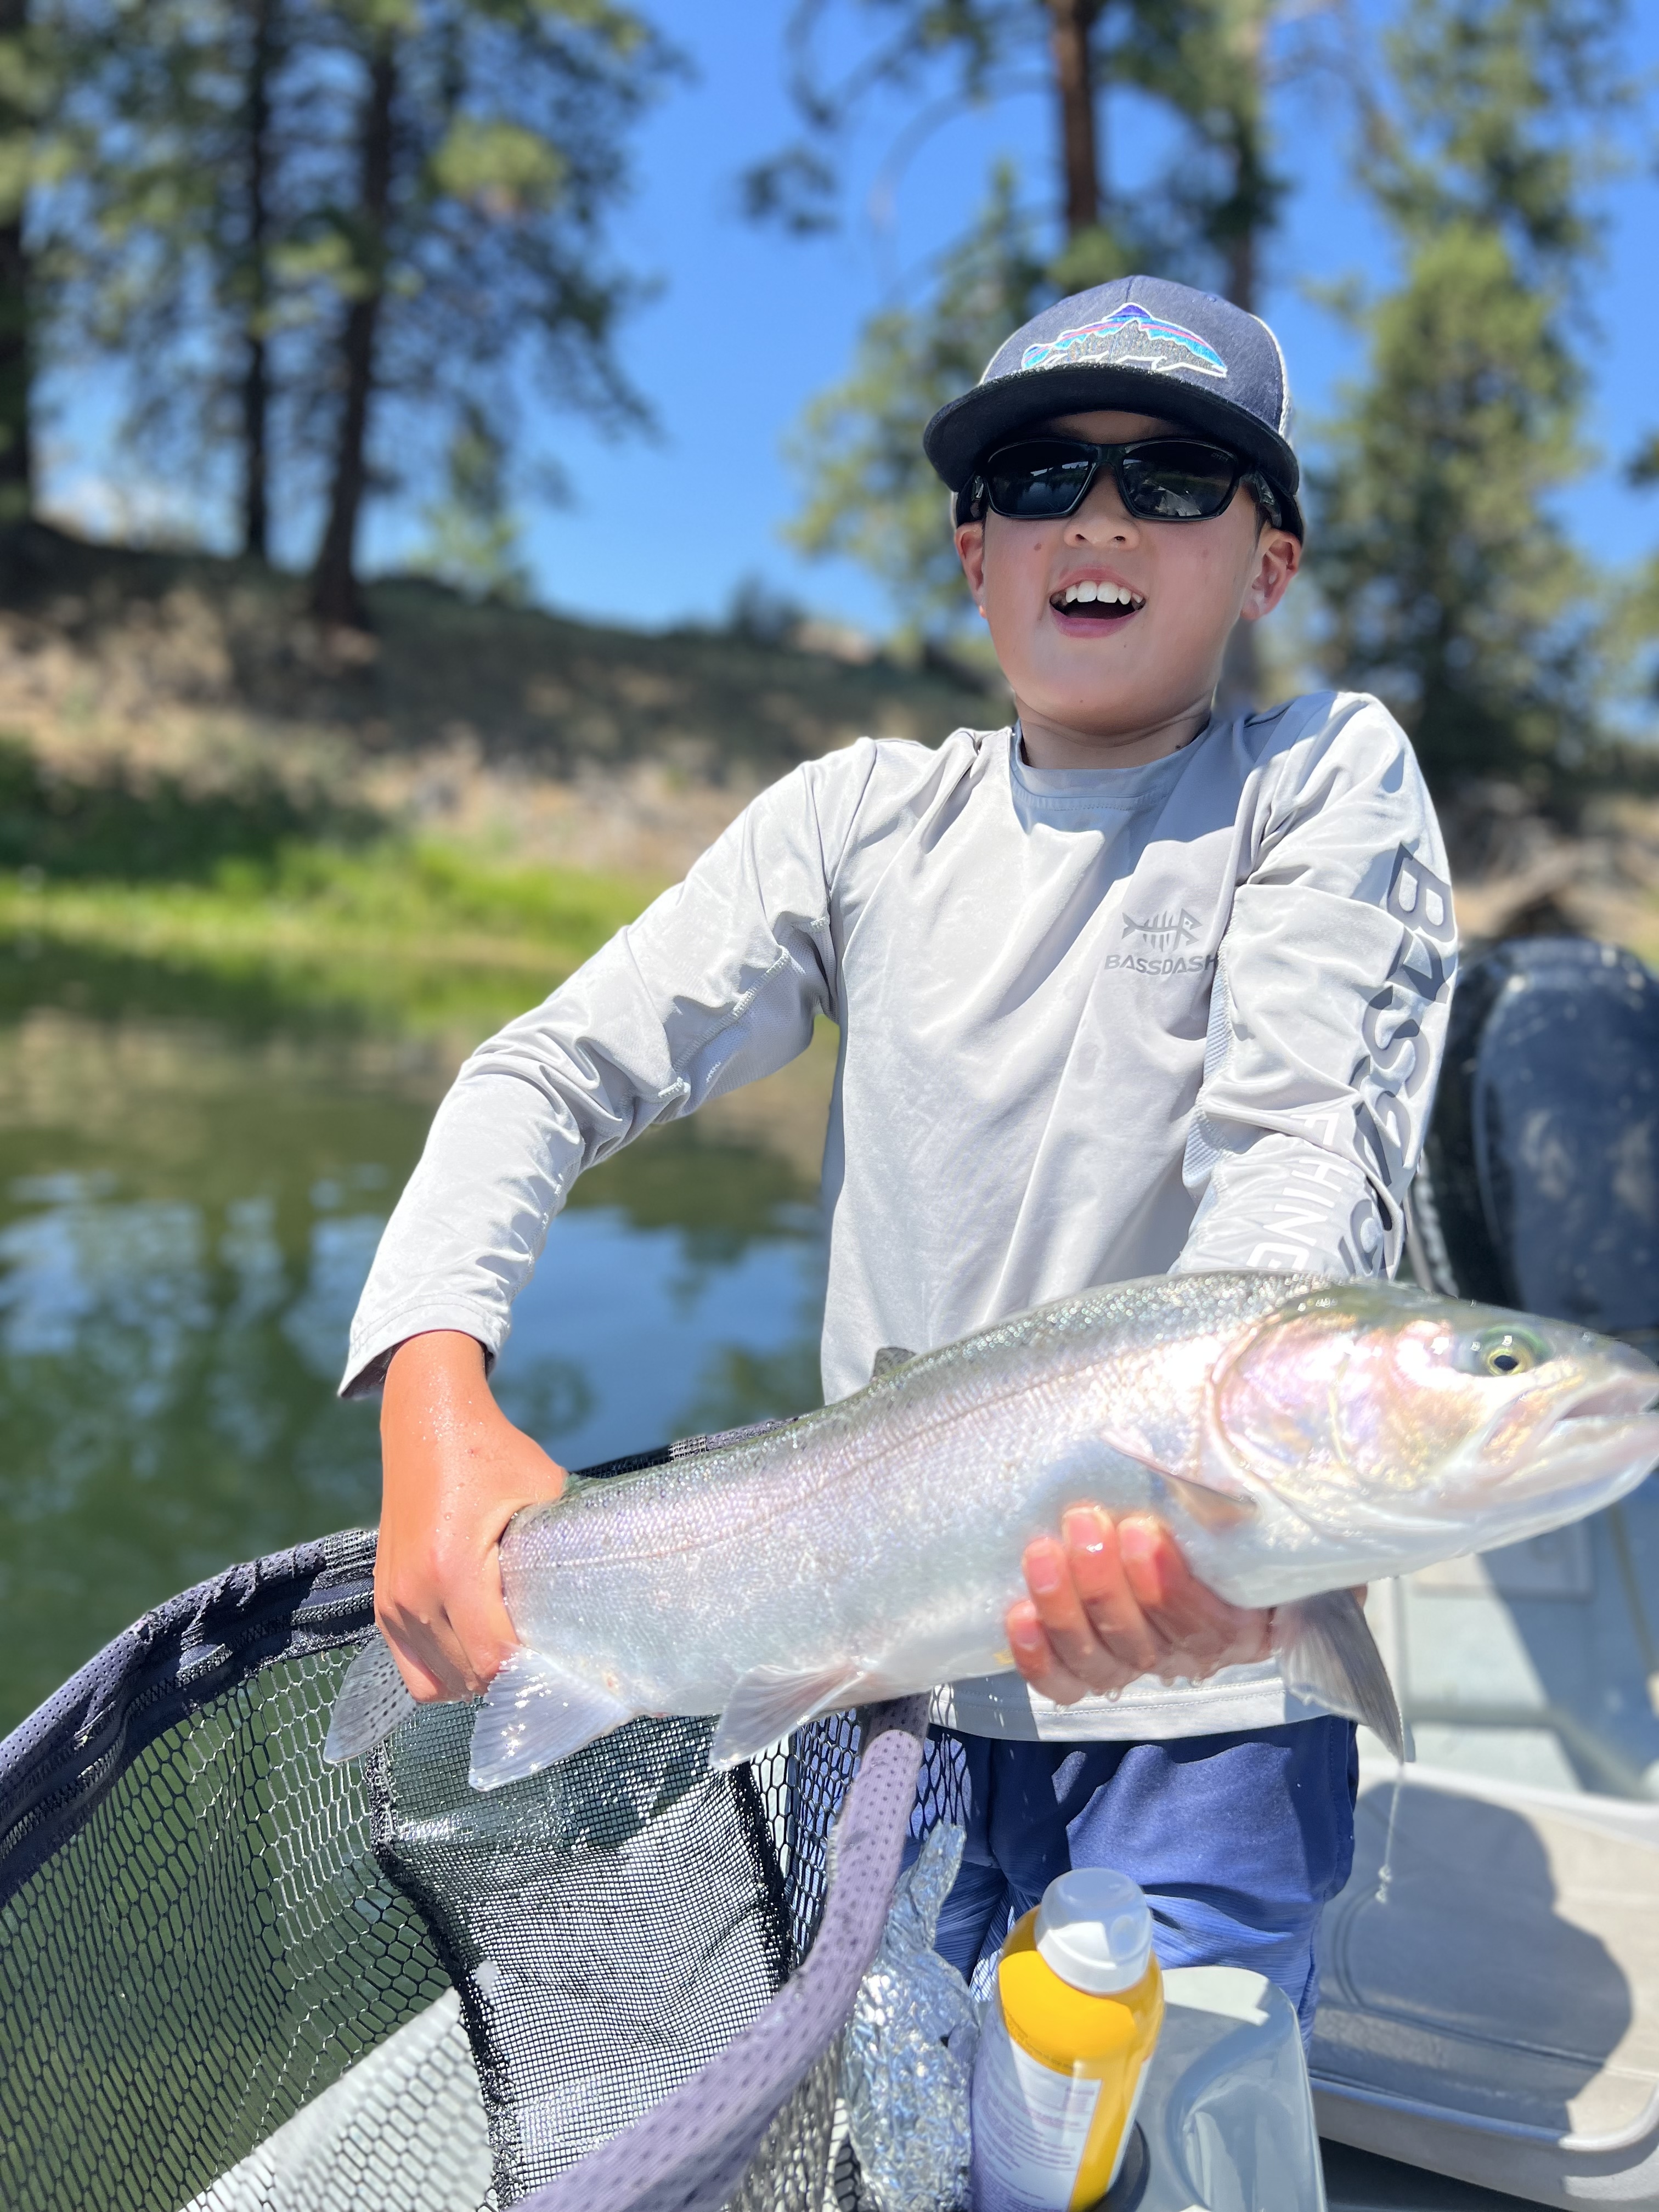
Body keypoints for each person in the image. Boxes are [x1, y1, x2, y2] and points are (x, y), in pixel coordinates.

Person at [341, 274, 1455, 2034]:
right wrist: (428, 1383)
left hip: (1201, 1697)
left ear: (1269, 562)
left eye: (1175, 477)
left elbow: (1296, 1175)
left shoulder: (1320, 782)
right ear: (973, 551)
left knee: (1131, 2135)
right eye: (1036, 478)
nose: (1097, 516)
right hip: (870, 1695)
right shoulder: (856, 820)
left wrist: (1213, 1512)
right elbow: (542, 1072)